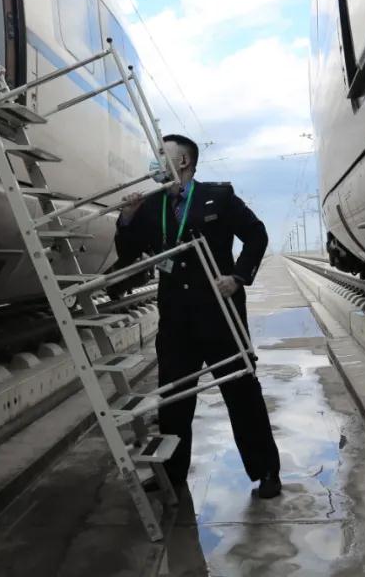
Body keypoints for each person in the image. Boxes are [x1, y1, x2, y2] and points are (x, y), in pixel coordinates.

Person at [115, 135, 282, 498]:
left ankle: (266, 471)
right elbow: (128, 254)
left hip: (221, 315)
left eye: (163, 154)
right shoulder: (151, 205)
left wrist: (238, 277)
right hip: (176, 320)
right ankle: (173, 472)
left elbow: (256, 234)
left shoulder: (218, 197)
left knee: (242, 393)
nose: (156, 161)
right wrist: (126, 219)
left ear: (184, 162)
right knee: (173, 399)